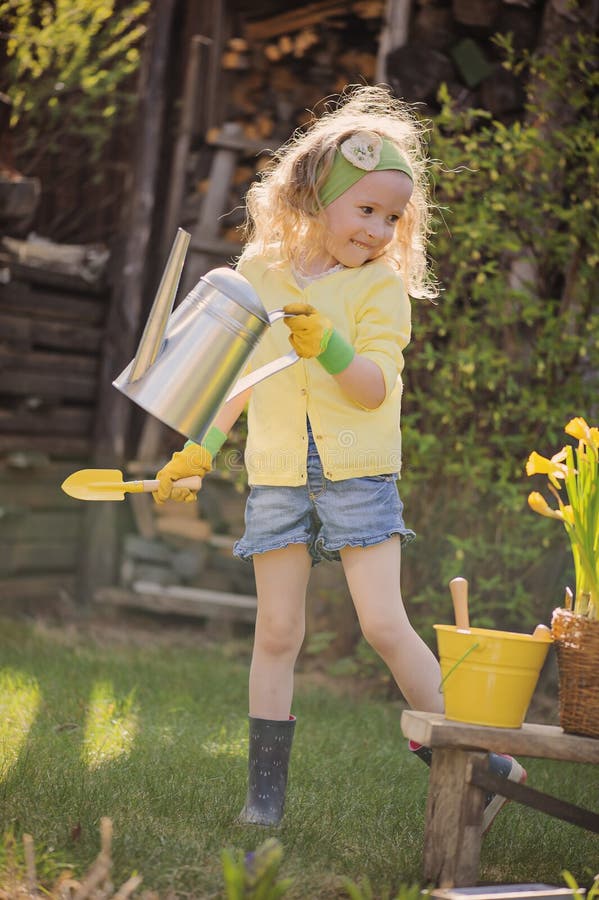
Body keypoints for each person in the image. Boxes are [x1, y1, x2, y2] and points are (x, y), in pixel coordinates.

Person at [153, 84, 525, 831]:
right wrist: (199, 449)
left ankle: (479, 768)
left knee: (384, 625)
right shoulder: (258, 278)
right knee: (277, 631)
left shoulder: (378, 291)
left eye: (393, 218)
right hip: (279, 474)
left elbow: (370, 389)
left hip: (358, 471)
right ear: (317, 196)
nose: (379, 229)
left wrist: (327, 343)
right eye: (366, 210)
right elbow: (237, 381)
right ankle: (263, 798)